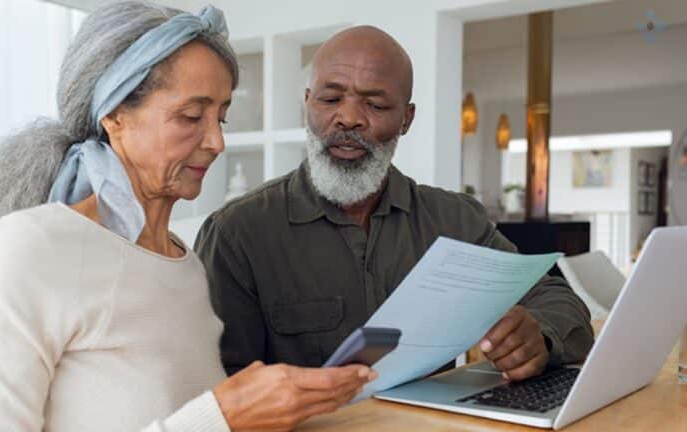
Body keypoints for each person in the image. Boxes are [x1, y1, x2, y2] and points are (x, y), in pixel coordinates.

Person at [0, 3, 374, 432]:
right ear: (114, 116)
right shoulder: (33, 247)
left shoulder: (185, 265)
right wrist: (223, 417)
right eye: (191, 116)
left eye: (221, 117)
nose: (217, 141)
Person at [196, 26, 594, 382]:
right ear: (307, 104)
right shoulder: (238, 233)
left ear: (406, 118)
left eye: (376, 105)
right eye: (331, 98)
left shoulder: (455, 220)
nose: (348, 118)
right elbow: (216, 387)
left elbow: (561, 302)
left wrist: (537, 334)